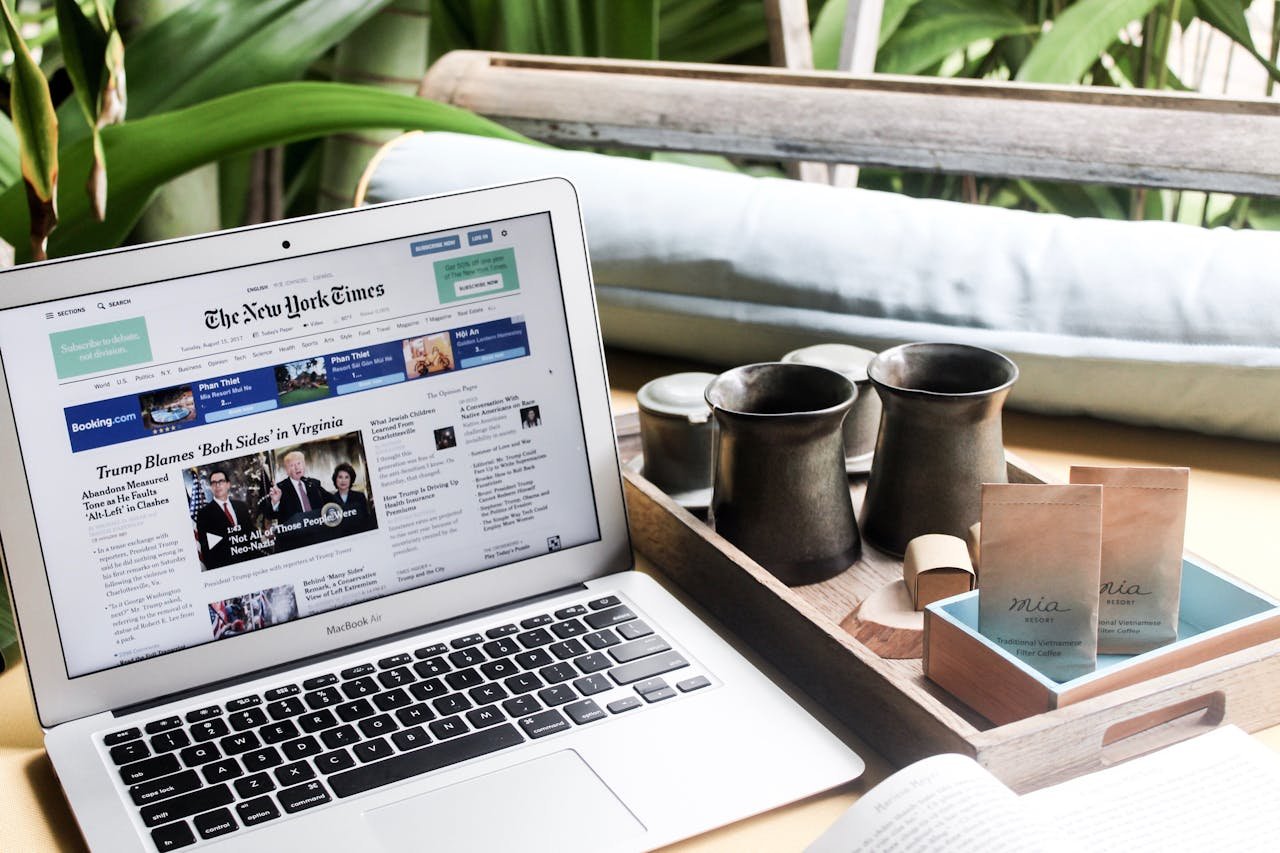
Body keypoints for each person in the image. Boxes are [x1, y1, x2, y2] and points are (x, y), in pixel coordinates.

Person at [258, 450, 332, 551]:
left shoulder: (314, 484)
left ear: (304, 465)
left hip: (319, 537)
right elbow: (270, 515)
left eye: (299, 463)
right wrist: (275, 502)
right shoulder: (280, 488)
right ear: (287, 470)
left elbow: (333, 502)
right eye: (292, 465)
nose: (297, 467)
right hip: (295, 542)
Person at [196, 468, 253, 569]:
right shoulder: (204, 513)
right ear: (211, 487)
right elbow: (206, 549)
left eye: (221, 481)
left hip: (249, 562)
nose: (217, 485)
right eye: (213, 483)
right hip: (225, 567)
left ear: (228, 484)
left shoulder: (241, 506)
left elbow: (251, 533)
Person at [331, 462, 372, 534]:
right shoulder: (330, 500)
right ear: (335, 479)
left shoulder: (360, 497)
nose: (343, 480)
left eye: (347, 477)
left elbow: (366, 520)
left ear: (351, 480)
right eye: (340, 477)